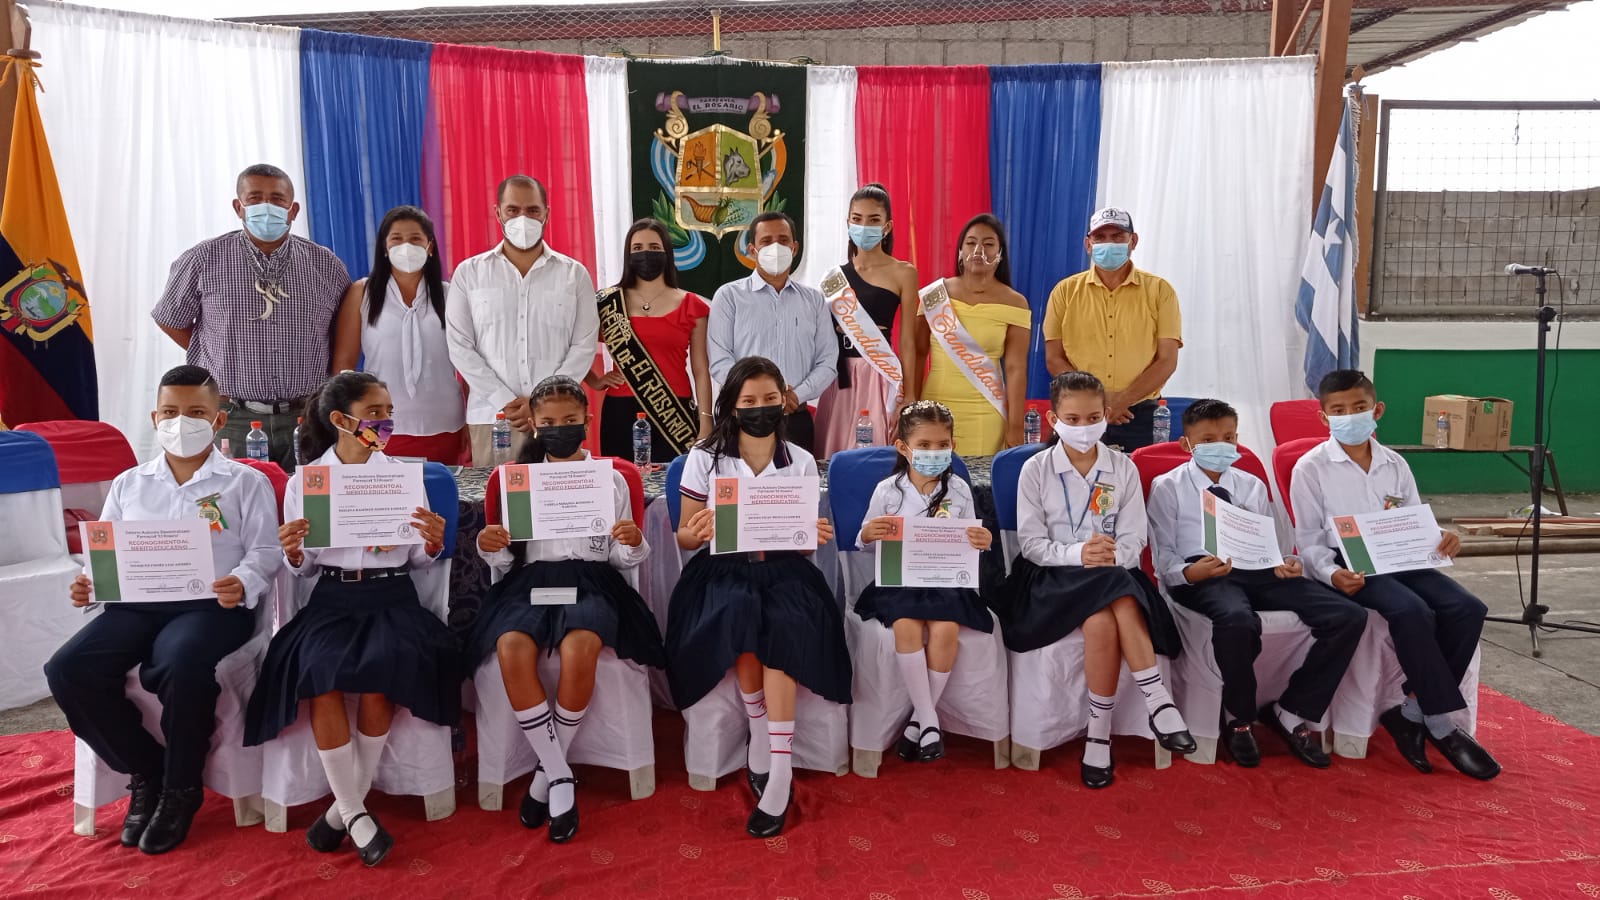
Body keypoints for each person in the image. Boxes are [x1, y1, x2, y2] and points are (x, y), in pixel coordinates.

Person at [44, 365, 279, 855]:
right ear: (155, 418)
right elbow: (106, 553)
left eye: (195, 412)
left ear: (218, 420)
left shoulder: (244, 482)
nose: (180, 422)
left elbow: (264, 550)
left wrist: (242, 581)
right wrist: (91, 584)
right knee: (68, 669)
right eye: (170, 412)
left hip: (211, 606)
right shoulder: (130, 484)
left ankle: (181, 788)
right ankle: (147, 770)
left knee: (181, 662)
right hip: (137, 605)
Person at [244, 372, 458, 867]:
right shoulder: (308, 482)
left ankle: (343, 812)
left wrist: (431, 542)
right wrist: (294, 551)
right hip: (332, 598)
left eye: (388, 412)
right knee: (322, 675)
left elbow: (419, 561)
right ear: (341, 420)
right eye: (374, 413)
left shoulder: (402, 477)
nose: (385, 422)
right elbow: (305, 569)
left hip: (393, 595)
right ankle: (355, 811)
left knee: (383, 671)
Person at [470, 376, 666, 842]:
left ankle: (546, 776)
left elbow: (621, 560)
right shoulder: (519, 480)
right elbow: (507, 560)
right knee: (511, 646)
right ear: (535, 425)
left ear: (587, 421)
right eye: (550, 422)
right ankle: (559, 774)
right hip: (531, 582)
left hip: (591, 580)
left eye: (570, 420)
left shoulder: (610, 479)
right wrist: (490, 545)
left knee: (581, 647)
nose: (560, 429)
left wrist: (633, 541)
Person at [666, 356, 848, 838]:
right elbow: (683, 535)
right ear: (731, 405)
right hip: (722, 569)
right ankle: (759, 731)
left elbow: (802, 543)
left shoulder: (800, 460)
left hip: (785, 570)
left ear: (784, 402)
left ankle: (780, 767)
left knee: (784, 627)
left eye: (770, 399)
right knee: (740, 617)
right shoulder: (704, 457)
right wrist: (698, 530)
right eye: (749, 401)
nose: (760, 408)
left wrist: (812, 534)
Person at [1291, 369, 1500, 780]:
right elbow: (1309, 539)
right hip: (1351, 563)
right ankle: (1441, 725)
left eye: (1359, 407)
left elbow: (1414, 519)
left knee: (1468, 608)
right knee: (1412, 610)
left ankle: (1413, 711)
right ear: (1323, 417)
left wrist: (1441, 537)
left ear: (1377, 410)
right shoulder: (1311, 468)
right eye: (1338, 410)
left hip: (1402, 556)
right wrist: (1331, 574)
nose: (1349, 416)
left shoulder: (1394, 463)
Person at [995, 371, 1194, 788]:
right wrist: (1078, 554)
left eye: (1092, 418)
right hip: (1050, 578)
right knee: (1119, 592)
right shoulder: (1036, 469)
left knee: (1104, 616)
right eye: (1072, 419)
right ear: (1053, 419)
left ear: (1106, 415)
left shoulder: (1122, 467)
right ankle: (1157, 700)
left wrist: (1111, 555)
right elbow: (1031, 545)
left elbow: (1134, 537)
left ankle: (1098, 736)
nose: (1083, 427)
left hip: (1110, 573)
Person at [1147, 399, 1366, 768]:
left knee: (1348, 615)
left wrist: (1288, 563)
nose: (1221, 446)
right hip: (1203, 574)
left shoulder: (1250, 485)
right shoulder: (1168, 486)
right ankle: (1239, 718)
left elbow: (1274, 543)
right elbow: (1163, 555)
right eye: (1208, 440)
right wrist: (1189, 573)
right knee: (1237, 620)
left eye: (1229, 437)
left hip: (1258, 569)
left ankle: (1292, 710)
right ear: (1187, 444)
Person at [152, 164, 353, 470]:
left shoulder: (326, 264)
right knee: (229, 497)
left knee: (309, 499)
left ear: (293, 210)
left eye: (277, 199)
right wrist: (216, 352)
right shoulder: (204, 259)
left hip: (306, 415)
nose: (266, 207)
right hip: (231, 417)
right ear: (239, 207)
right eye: (255, 198)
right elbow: (170, 318)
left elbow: (343, 334)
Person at [855, 400, 992, 763]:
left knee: (946, 629)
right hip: (900, 580)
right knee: (906, 625)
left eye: (942, 445)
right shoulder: (888, 490)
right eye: (925, 445)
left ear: (953, 445)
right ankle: (930, 719)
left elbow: (971, 540)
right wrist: (869, 534)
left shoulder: (959, 489)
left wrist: (983, 540)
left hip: (945, 581)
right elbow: (864, 541)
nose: (934, 452)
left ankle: (919, 720)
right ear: (903, 447)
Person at [446, 175, 599, 465]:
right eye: (513, 210)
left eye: (533, 210)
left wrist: (541, 403)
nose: (523, 219)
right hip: (493, 418)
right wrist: (505, 401)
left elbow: (583, 345)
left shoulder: (574, 275)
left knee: (560, 493)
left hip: (558, 422)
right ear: (498, 213)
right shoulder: (469, 273)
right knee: (496, 494)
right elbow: (460, 346)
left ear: (546, 214)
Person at [331, 206, 466, 464]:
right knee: (386, 488)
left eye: (415, 239)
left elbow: (467, 361)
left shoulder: (450, 295)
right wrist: (349, 423)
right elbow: (343, 364)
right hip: (377, 424)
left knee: (441, 488)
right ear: (384, 247)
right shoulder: (363, 293)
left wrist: (471, 420)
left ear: (430, 247)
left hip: (445, 422)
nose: (406, 246)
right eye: (397, 239)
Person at [1042, 207, 1181, 452]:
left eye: (1117, 237)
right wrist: (1100, 400)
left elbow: (1167, 360)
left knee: (1139, 476)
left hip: (1139, 414)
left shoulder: (1160, 291)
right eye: (1100, 237)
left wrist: (1122, 400)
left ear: (1133, 241)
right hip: (1080, 414)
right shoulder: (1064, 291)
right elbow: (1054, 358)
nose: (1109, 244)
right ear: (1088, 244)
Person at [707, 213, 837, 456]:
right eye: (766, 241)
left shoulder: (814, 300)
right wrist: (759, 397)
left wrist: (796, 395)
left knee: (799, 480)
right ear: (752, 250)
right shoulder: (729, 296)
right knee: (739, 480)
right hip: (744, 418)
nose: (775, 248)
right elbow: (719, 361)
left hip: (795, 417)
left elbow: (828, 361)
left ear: (794, 248)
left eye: (783, 240)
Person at [589, 218, 712, 462]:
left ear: (667, 253)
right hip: (620, 410)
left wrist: (706, 420)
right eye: (638, 248)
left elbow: (700, 369)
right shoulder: (607, 303)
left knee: (675, 479)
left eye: (654, 247)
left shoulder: (692, 305)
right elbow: (573, 345)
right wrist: (594, 380)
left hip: (675, 413)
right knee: (623, 480)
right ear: (628, 255)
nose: (646, 253)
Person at [813, 184, 920, 456]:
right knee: (833, 453)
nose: (864, 226)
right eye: (857, 219)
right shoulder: (833, 278)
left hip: (878, 374)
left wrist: (909, 395)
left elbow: (908, 341)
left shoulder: (904, 273)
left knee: (873, 453)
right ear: (848, 223)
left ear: (887, 226)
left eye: (873, 220)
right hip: (839, 378)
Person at [912, 214, 1031, 455]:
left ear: (1000, 253)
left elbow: (1016, 368)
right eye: (971, 243)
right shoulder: (934, 296)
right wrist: (911, 406)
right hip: (934, 408)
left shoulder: (1016, 302)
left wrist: (1016, 425)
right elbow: (918, 353)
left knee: (981, 478)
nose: (979, 250)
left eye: (988, 244)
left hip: (986, 412)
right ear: (960, 251)